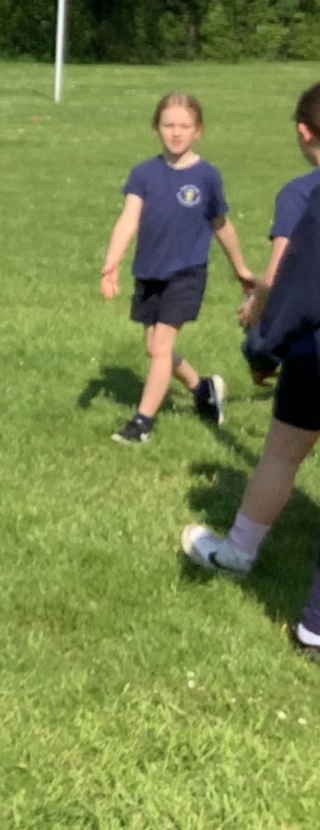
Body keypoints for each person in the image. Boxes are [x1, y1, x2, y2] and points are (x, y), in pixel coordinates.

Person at [182, 82, 320, 575]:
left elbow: (283, 278)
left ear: (303, 132)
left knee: (282, 454)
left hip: (312, 350)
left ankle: (238, 553)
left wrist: (261, 346)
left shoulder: (301, 193)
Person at [100, 93, 256, 444]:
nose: (176, 132)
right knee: (155, 348)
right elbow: (128, 219)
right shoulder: (143, 174)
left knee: (160, 348)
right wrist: (112, 261)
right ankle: (202, 389)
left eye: (184, 126)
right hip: (148, 271)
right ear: (156, 128)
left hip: (187, 273)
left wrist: (240, 268)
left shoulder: (207, 176)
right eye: (168, 125)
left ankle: (142, 423)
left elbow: (221, 225)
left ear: (198, 130)